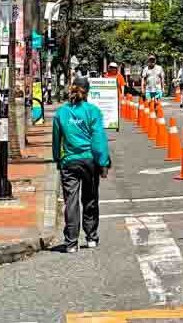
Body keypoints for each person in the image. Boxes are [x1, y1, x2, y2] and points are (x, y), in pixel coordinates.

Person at [52, 76, 111, 253]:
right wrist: (103, 162)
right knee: (90, 198)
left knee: (71, 201)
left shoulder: (61, 113)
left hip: (69, 162)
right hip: (89, 161)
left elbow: (56, 139)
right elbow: (98, 139)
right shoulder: (92, 111)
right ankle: (91, 236)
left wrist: (57, 158)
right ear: (88, 91)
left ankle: (71, 242)